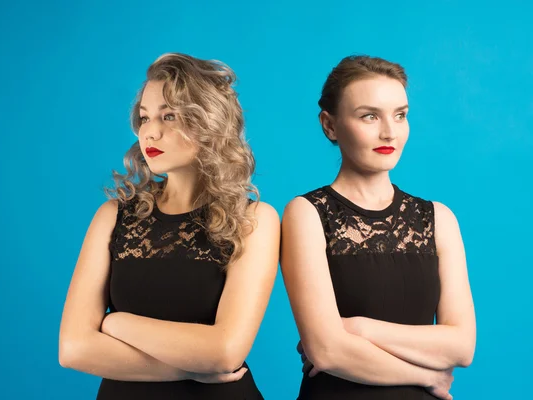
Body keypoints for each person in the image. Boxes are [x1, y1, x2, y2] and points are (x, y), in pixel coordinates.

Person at [59, 53, 279, 399]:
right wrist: (192, 369)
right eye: (145, 118)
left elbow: (225, 352)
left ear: (210, 122)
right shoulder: (113, 216)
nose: (151, 131)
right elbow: (73, 348)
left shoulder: (254, 219)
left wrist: (116, 323)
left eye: (169, 116)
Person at [280, 55, 476, 400]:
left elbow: (462, 347)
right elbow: (326, 352)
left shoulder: (438, 218)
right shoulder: (306, 213)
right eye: (369, 116)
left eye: (400, 115)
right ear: (330, 125)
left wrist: (356, 327)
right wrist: (428, 376)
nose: (389, 131)